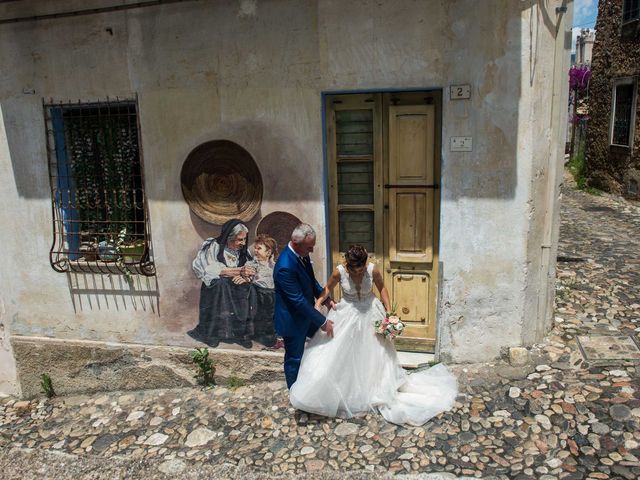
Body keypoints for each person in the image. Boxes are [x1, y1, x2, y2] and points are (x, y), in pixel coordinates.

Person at [289, 244, 458, 426]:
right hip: (347, 314)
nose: (358, 273)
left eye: (361, 269)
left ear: (365, 263)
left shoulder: (373, 270)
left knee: (376, 353)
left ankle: (376, 387)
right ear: (348, 264)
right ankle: (347, 390)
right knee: (341, 353)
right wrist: (320, 302)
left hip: (371, 313)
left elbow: (382, 288)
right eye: (354, 269)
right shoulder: (339, 272)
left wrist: (389, 311)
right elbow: (328, 287)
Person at [273, 223, 335, 388]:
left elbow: (311, 282)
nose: (312, 251)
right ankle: (294, 392)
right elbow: (298, 300)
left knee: (322, 347)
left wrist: (326, 299)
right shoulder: (284, 267)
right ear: (295, 242)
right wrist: (322, 322)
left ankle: (313, 385)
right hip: (292, 320)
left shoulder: (302, 254)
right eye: (309, 247)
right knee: (294, 358)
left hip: (307, 315)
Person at [189, 219, 256, 348]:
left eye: (244, 239)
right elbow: (209, 270)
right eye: (239, 239)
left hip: (236, 287)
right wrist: (239, 271)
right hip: (216, 288)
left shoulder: (243, 251)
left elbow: (251, 269)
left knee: (248, 287)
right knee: (221, 284)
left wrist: (246, 278)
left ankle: (241, 334)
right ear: (229, 238)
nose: (243, 243)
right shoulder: (213, 246)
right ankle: (213, 334)